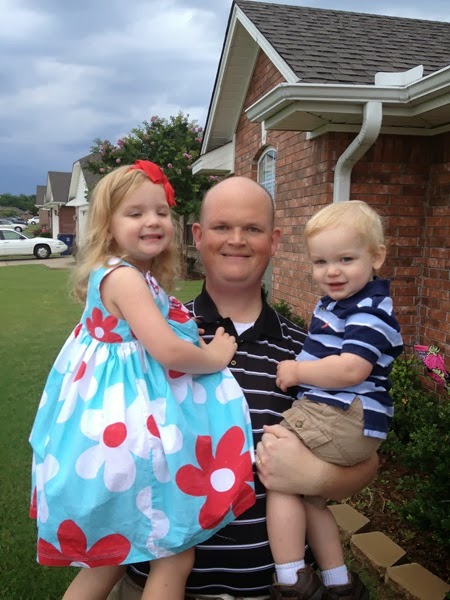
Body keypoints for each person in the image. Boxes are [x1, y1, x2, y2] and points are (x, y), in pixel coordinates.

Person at [109, 177, 379, 600]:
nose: (236, 240)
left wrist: (317, 476)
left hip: (272, 590)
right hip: (153, 583)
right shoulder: (151, 336)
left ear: (274, 241)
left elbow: (365, 456)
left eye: (252, 229)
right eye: (222, 227)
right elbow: (109, 456)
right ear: (198, 236)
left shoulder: (312, 356)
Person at [28, 161, 256, 600]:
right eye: (135, 213)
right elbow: (167, 351)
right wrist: (214, 357)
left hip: (109, 436)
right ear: (108, 227)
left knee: (111, 559)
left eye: (161, 212)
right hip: (135, 440)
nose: (152, 221)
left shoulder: (127, 276)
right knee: (174, 557)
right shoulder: (126, 279)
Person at [269, 200, 404, 599]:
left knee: (277, 470)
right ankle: (339, 583)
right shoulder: (343, 304)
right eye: (321, 261)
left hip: (342, 412)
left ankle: (291, 580)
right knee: (312, 501)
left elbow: (350, 370)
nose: (332, 271)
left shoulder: (367, 310)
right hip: (350, 417)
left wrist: (297, 372)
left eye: (346, 259)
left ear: (376, 257)